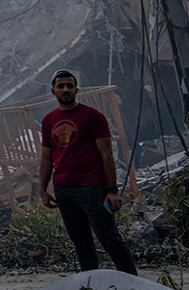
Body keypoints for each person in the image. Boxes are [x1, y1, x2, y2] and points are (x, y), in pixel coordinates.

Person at [38, 70, 136, 274]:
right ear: (53, 91)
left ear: (76, 90)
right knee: (81, 243)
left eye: (69, 86)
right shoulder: (49, 120)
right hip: (64, 190)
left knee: (110, 240)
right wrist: (43, 190)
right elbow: (46, 157)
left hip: (92, 189)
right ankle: (92, 288)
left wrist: (111, 190)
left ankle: (133, 285)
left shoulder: (93, 117)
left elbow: (107, 156)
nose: (65, 90)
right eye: (61, 86)